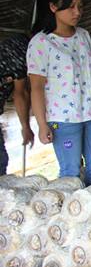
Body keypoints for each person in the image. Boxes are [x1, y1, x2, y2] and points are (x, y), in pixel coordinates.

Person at [27, 0, 91, 186]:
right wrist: (42, 124)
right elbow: (36, 87)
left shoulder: (84, 37)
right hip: (63, 119)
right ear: (53, 7)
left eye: (80, 6)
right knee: (70, 171)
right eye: (71, 6)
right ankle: (70, 213)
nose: (77, 12)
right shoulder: (41, 43)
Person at [0, 34, 34, 174]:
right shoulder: (20, 52)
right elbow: (20, 93)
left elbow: (20, 92)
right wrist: (26, 127)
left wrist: (25, 126)